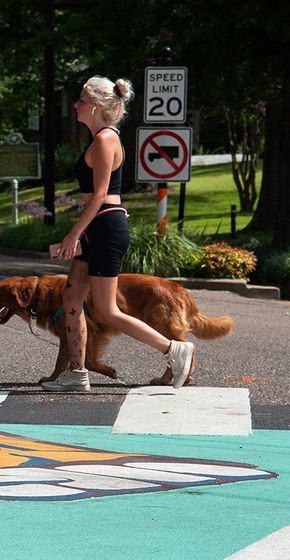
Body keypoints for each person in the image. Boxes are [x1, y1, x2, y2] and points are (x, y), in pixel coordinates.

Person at [44, 76, 194, 392]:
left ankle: (173, 350)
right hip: (99, 227)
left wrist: (73, 235)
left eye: (81, 100)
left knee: (105, 309)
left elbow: (99, 195)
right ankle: (77, 373)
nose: (76, 105)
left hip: (103, 226)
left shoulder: (104, 140)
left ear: (95, 106)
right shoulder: (103, 137)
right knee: (71, 296)